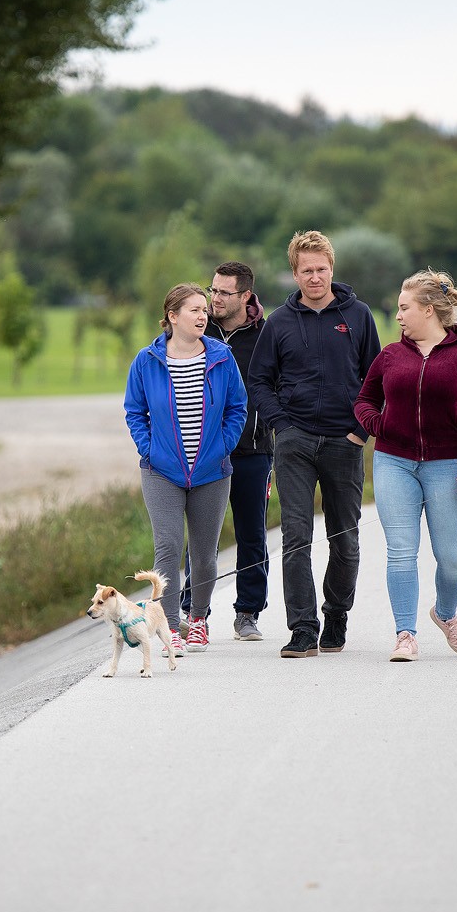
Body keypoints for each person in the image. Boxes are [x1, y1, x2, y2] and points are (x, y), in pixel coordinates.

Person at [247, 231, 382, 658]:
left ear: (332, 267)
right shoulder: (280, 323)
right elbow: (259, 381)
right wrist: (282, 426)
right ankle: (302, 628)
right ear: (294, 273)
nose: (315, 277)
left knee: (345, 540)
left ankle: (336, 616)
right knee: (296, 537)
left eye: (321, 269)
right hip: (295, 442)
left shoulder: (358, 316)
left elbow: (376, 381)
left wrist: (361, 431)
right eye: (307, 270)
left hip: (345, 442)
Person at [353, 269, 457, 662]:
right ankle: (405, 634)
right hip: (394, 462)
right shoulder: (390, 355)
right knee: (401, 550)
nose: (397, 316)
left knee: (453, 559)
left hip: (451, 464)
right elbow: (363, 400)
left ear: (428, 310)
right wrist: (380, 426)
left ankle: (445, 614)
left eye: (403, 308)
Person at [124, 283, 247, 655]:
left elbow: (237, 408)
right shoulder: (147, 360)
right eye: (193, 310)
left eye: (204, 310)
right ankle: (168, 625)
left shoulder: (222, 357)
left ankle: (198, 620)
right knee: (167, 546)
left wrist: (222, 447)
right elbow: (135, 411)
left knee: (204, 551)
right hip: (161, 471)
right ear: (172, 316)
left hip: (212, 470)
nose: (202, 316)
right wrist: (150, 449)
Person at [205, 262, 274, 641]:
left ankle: (247, 613)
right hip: (203, 454)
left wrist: (271, 424)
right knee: (202, 536)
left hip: (253, 451)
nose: (215, 298)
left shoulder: (266, 335)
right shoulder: (198, 329)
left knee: (251, 534)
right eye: (212, 290)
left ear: (246, 296)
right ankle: (191, 610)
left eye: (224, 292)